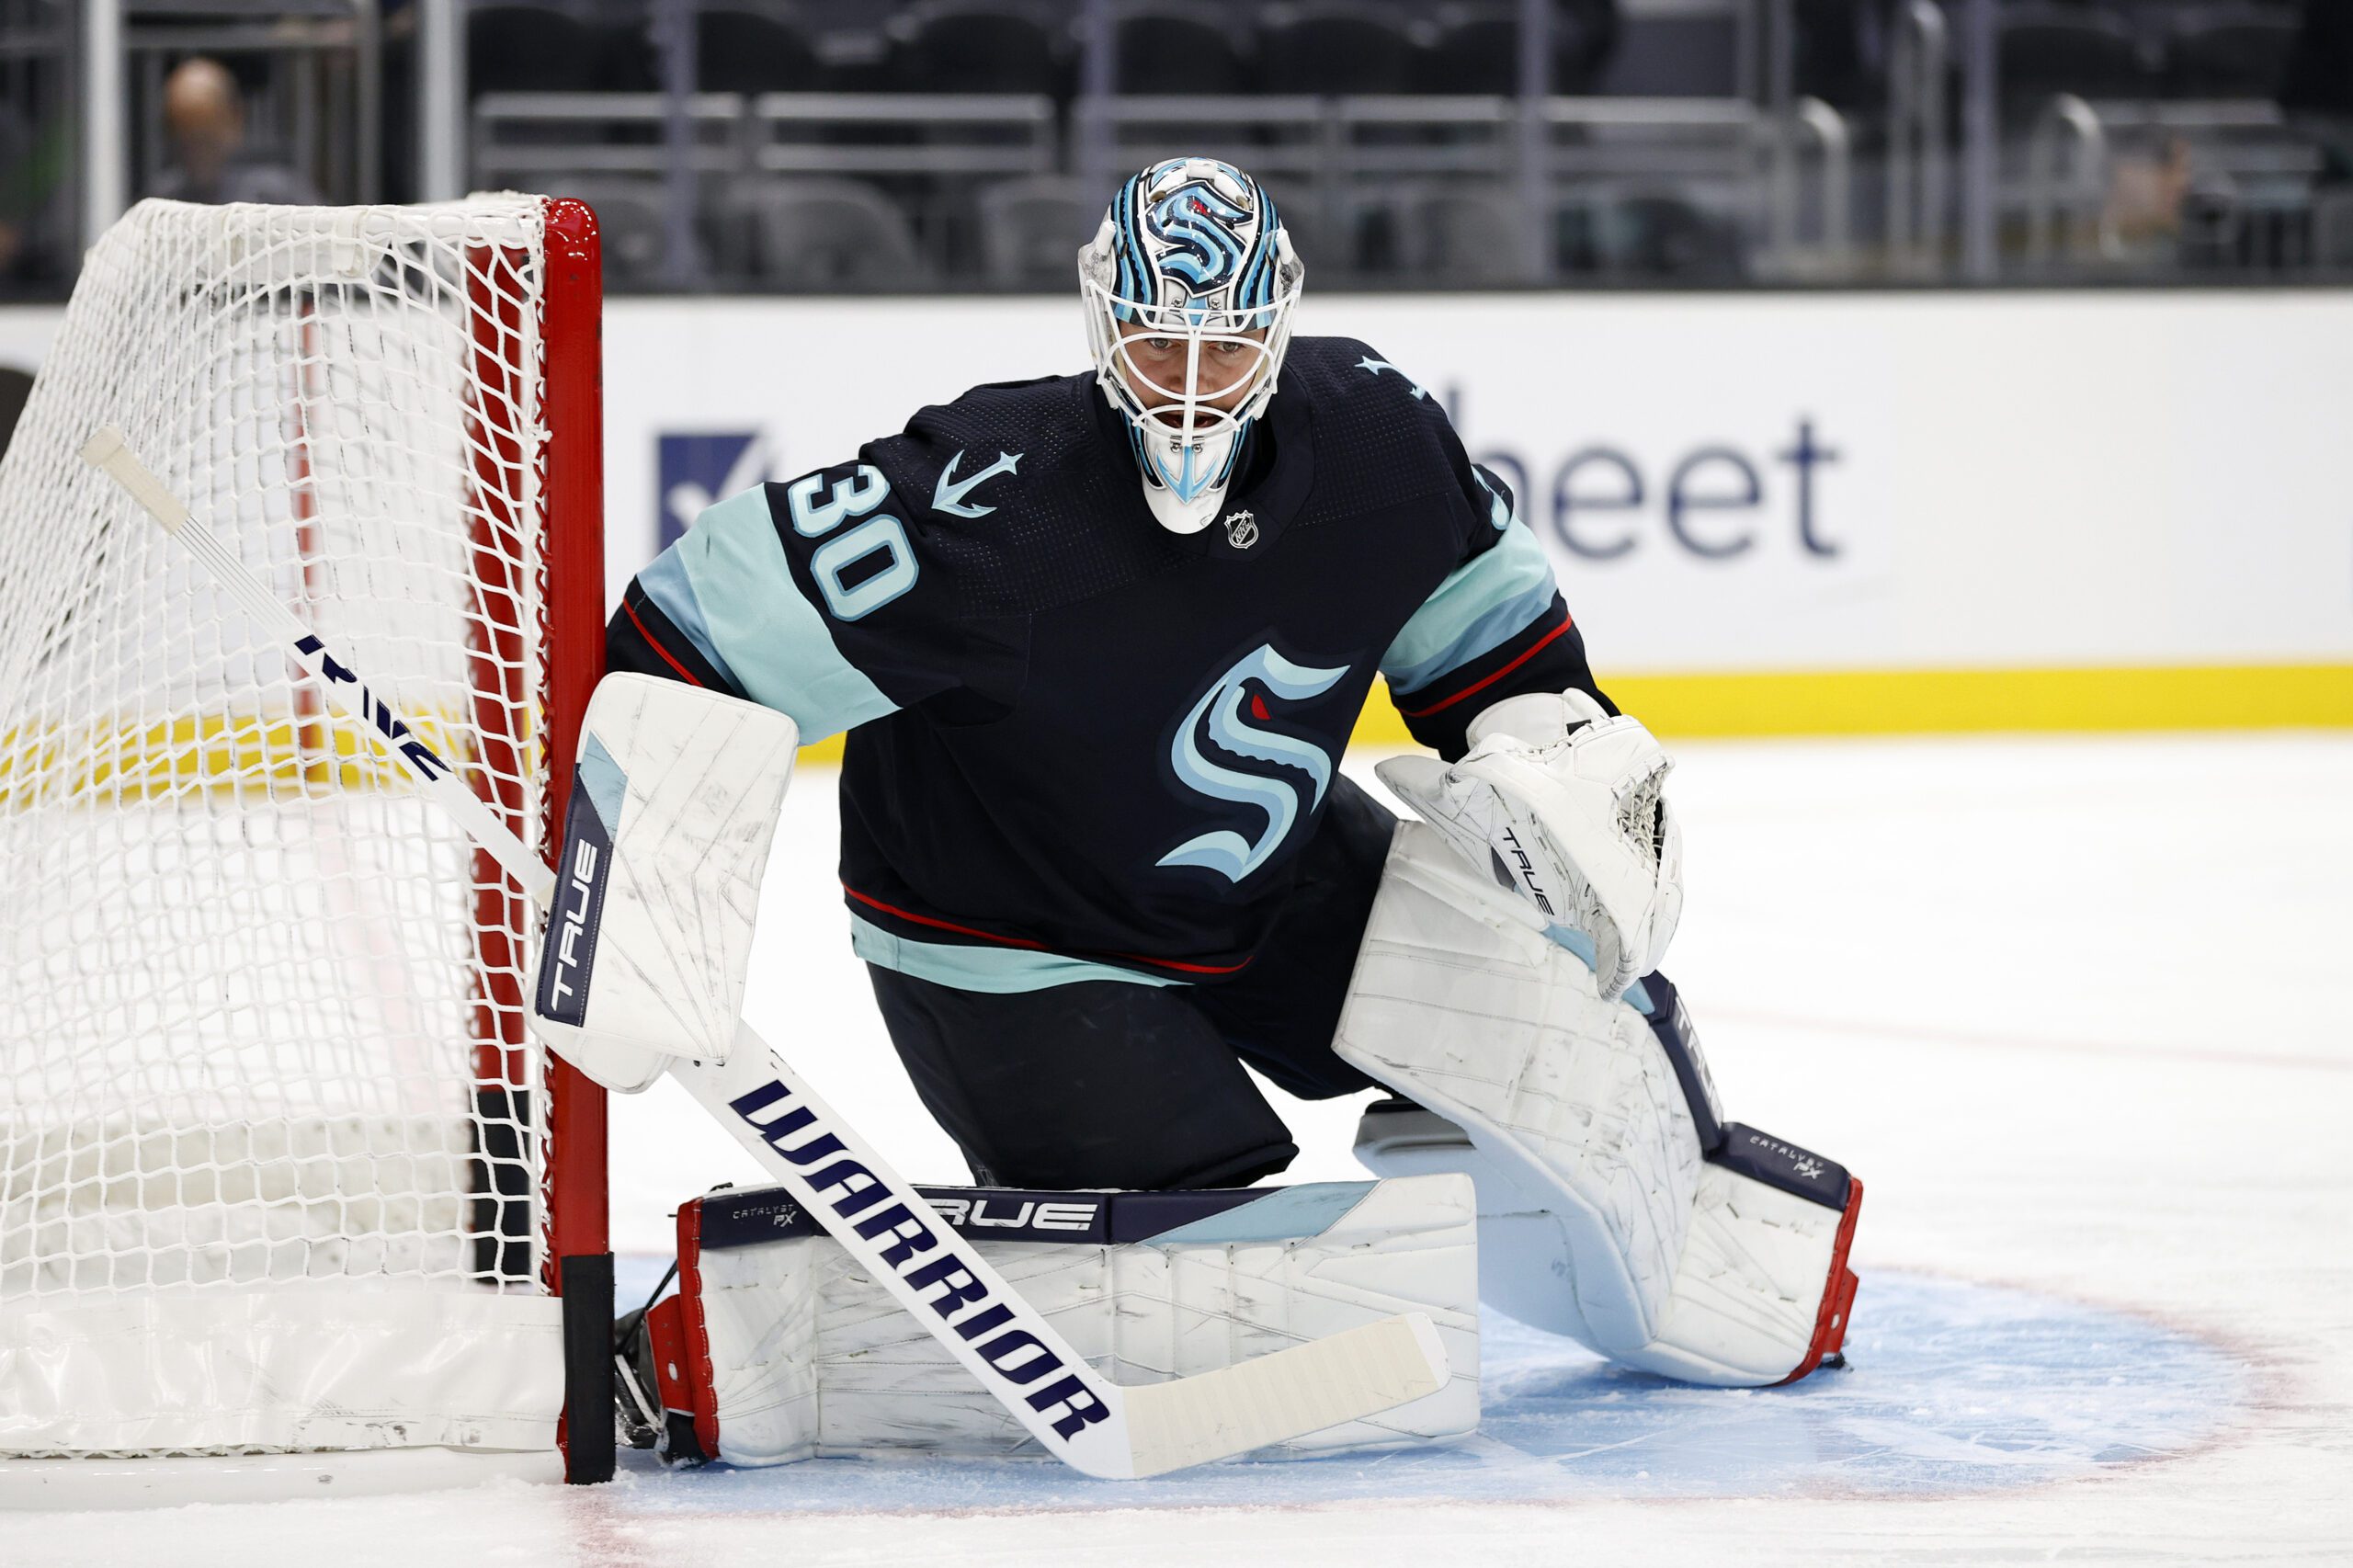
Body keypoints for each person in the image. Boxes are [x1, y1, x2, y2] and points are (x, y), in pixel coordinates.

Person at [608, 157, 1860, 1387]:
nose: (1195, 390)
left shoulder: (1379, 437)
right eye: (1161, 348)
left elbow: (1499, 658)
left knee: (1579, 1020)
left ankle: (1704, 1264)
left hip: (1271, 879)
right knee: (1221, 1295)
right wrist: (635, 873)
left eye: (1228, 350)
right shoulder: (990, 498)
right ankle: (742, 1343)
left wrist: (1564, 774)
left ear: (1279, 328)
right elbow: (684, 629)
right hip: (1011, 941)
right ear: (1105, 327)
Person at [150, 58, 320, 207]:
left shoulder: (279, 195)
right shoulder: (164, 200)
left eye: (205, 140)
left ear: (235, 120)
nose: (196, 154)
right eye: (186, 142)